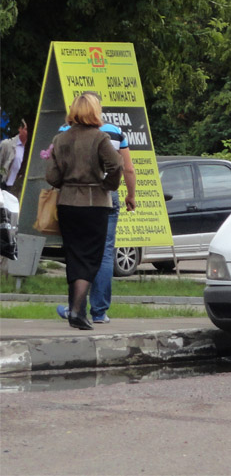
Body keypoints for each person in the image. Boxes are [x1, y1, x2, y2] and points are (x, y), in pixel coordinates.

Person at [56, 93, 136, 324]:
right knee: (104, 251)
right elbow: (126, 168)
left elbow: (53, 170)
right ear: (97, 108)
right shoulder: (113, 132)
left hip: (70, 198)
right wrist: (127, 194)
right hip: (102, 198)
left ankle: (75, 308)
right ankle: (99, 311)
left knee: (75, 252)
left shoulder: (62, 133)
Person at [0, 119, 29, 194]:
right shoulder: (7, 144)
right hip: (3, 183)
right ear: (20, 129)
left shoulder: (27, 148)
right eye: (25, 129)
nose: (27, 132)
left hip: (13, 185)